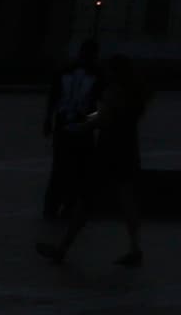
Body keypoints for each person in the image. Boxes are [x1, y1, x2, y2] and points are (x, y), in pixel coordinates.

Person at [41, 55, 149, 267]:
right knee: (127, 202)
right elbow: (107, 115)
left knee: (86, 201)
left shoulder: (113, 92)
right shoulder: (134, 93)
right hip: (127, 150)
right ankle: (135, 248)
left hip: (108, 152)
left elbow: (103, 118)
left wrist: (79, 126)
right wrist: (91, 118)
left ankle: (62, 248)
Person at [37, 39, 100, 230]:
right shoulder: (97, 74)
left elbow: (54, 96)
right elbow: (98, 103)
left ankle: (52, 206)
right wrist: (95, 121)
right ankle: (68, 206)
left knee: (60, 167)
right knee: (79, 169)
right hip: (83, 124)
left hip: (63, 123)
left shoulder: (64, 70)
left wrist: (49, 119)